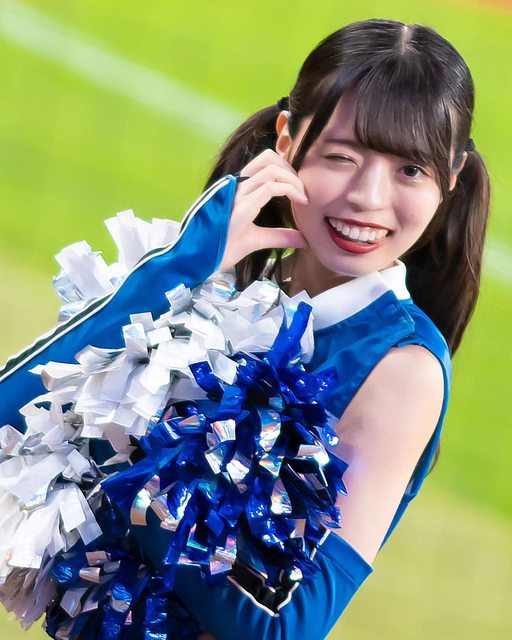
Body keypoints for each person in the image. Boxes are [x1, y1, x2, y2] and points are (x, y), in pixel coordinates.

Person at [0, 17, 490, 640]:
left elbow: (287, 627)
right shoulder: (216, 285)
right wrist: (172, 273)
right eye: (341, 156)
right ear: (286, 139)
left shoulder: (402, 367)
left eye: (410, 171)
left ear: (452, 176)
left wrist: (132, 464)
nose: (368, 197)